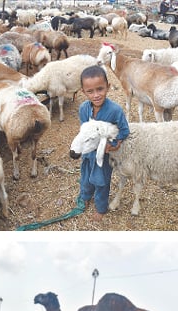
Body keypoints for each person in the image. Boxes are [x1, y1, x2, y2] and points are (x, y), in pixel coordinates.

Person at [77, 66, 130, 222]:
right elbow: (84, 130)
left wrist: (115, 144)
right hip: (88, 153)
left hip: (103, 155)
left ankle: (101, 207)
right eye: (90, 91)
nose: (96, 95)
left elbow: (124, 130)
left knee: (101, 181)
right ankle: (85, 196)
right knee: (85, 176)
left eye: (100, 89)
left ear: (108, 87)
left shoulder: (115, 110)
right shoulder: (83, 109)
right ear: (83, 91)